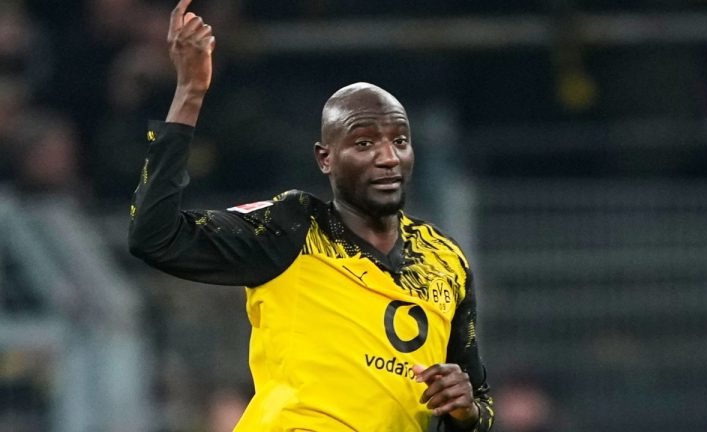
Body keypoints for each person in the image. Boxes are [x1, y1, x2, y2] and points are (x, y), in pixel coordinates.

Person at [128, 0, 494, 430]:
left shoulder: (446, 261)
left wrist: (466, 410)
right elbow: (153, 235)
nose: (387, 157)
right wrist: (188, 94)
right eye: (363, 143)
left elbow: (478, 403)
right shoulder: (293, 226)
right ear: (325, 158)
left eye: (400, 141)